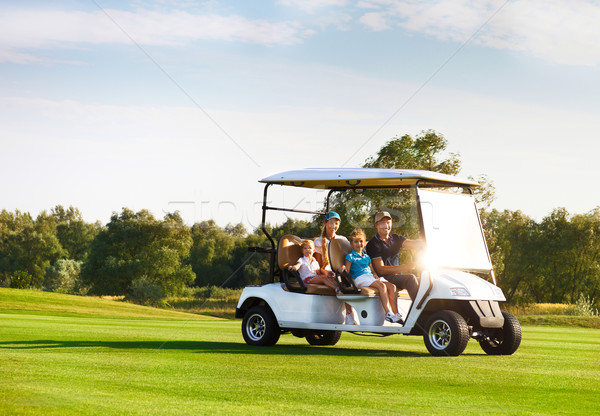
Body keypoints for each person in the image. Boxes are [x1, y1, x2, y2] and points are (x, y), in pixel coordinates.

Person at [341, 228, 403, 324]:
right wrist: (344, 271)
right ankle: (388, 313)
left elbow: (372, 270)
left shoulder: (367, 257)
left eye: (361, 241)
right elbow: (347, 272)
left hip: (369, 277)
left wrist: (375, 275)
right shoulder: (350, 256)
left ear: (364, 242)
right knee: (382, 286)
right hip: (359, 278)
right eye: (356, 242)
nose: (359, 244)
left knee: (392, 287)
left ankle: (396, 314)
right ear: (351, 244)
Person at [365, 211, 422, 301]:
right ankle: (420, 310)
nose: (386, 226)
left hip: (396, 276)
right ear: (376, 225)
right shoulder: (373, 244)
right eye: (383, 223)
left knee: (424, 280)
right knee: (411, 278)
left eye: (388, 223)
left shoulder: (395, 238)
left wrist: (423, 243)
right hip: (383, 278)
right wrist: (406, 267)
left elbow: (411, 244)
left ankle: (431, 310)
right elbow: (380, 269)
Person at [314, 211, 356, 324]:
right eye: (331, 223)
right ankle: (349, 313)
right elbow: (318, 266)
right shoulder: (318, 242)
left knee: (353, 281)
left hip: (341, 270)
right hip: (327, 272)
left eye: (336, 223)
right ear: (325, 223)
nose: (334, 226)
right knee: (343, 284)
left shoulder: (342, 240)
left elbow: (347, 258)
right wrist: (326, 272)